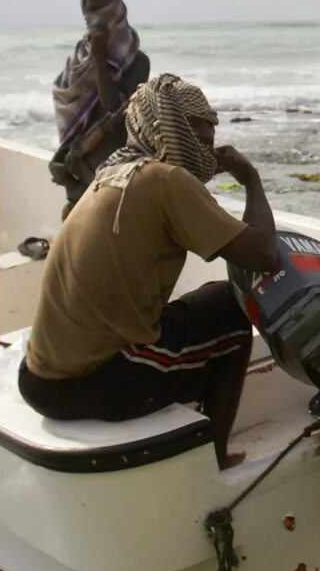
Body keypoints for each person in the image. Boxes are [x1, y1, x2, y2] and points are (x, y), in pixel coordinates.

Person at [20, 78, 284, 466]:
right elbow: (262, 254)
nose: (206, 154)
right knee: (230, 310)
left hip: (38, 379)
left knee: (200, 303)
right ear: (167, 129)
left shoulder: (111, 174)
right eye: (197, 140)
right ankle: (215, 454)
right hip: (93, 381)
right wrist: (251, 179)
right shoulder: (166, 180)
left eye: (211, 142)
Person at [49, 0, 152, 206]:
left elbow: (113, 108)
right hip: (78, 168)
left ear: (117, 8)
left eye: (103, 8)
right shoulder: (78, 59)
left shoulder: (137, 62)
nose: (96, 15)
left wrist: (99, 60)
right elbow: (69, 114)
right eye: (91, 9)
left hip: (112, 170)